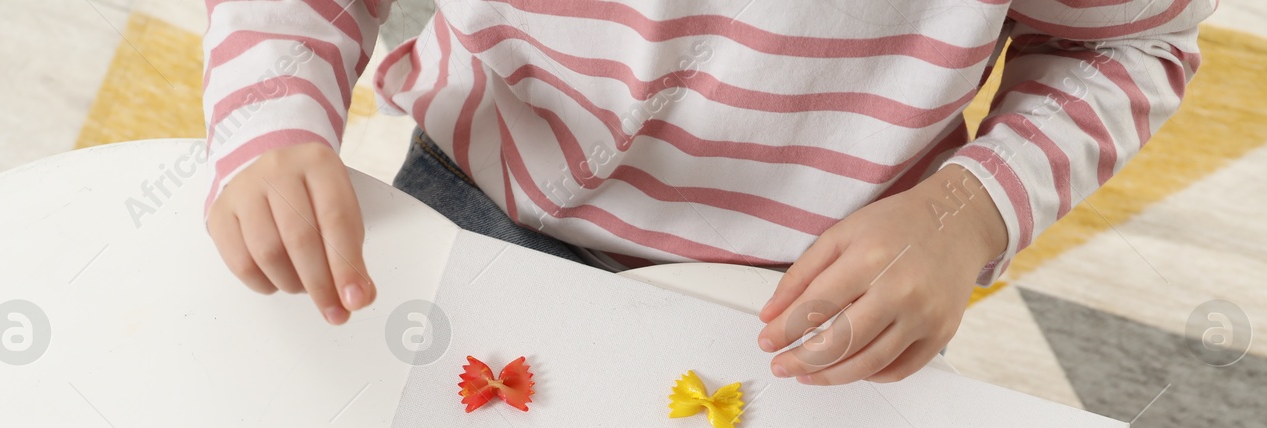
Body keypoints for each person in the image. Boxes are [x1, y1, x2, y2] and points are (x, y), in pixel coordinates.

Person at [202, 1, 1211, 385]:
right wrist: (271, 113)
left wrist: (971, 207)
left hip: (820, 284)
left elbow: (1125, 40)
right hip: (485, 193)